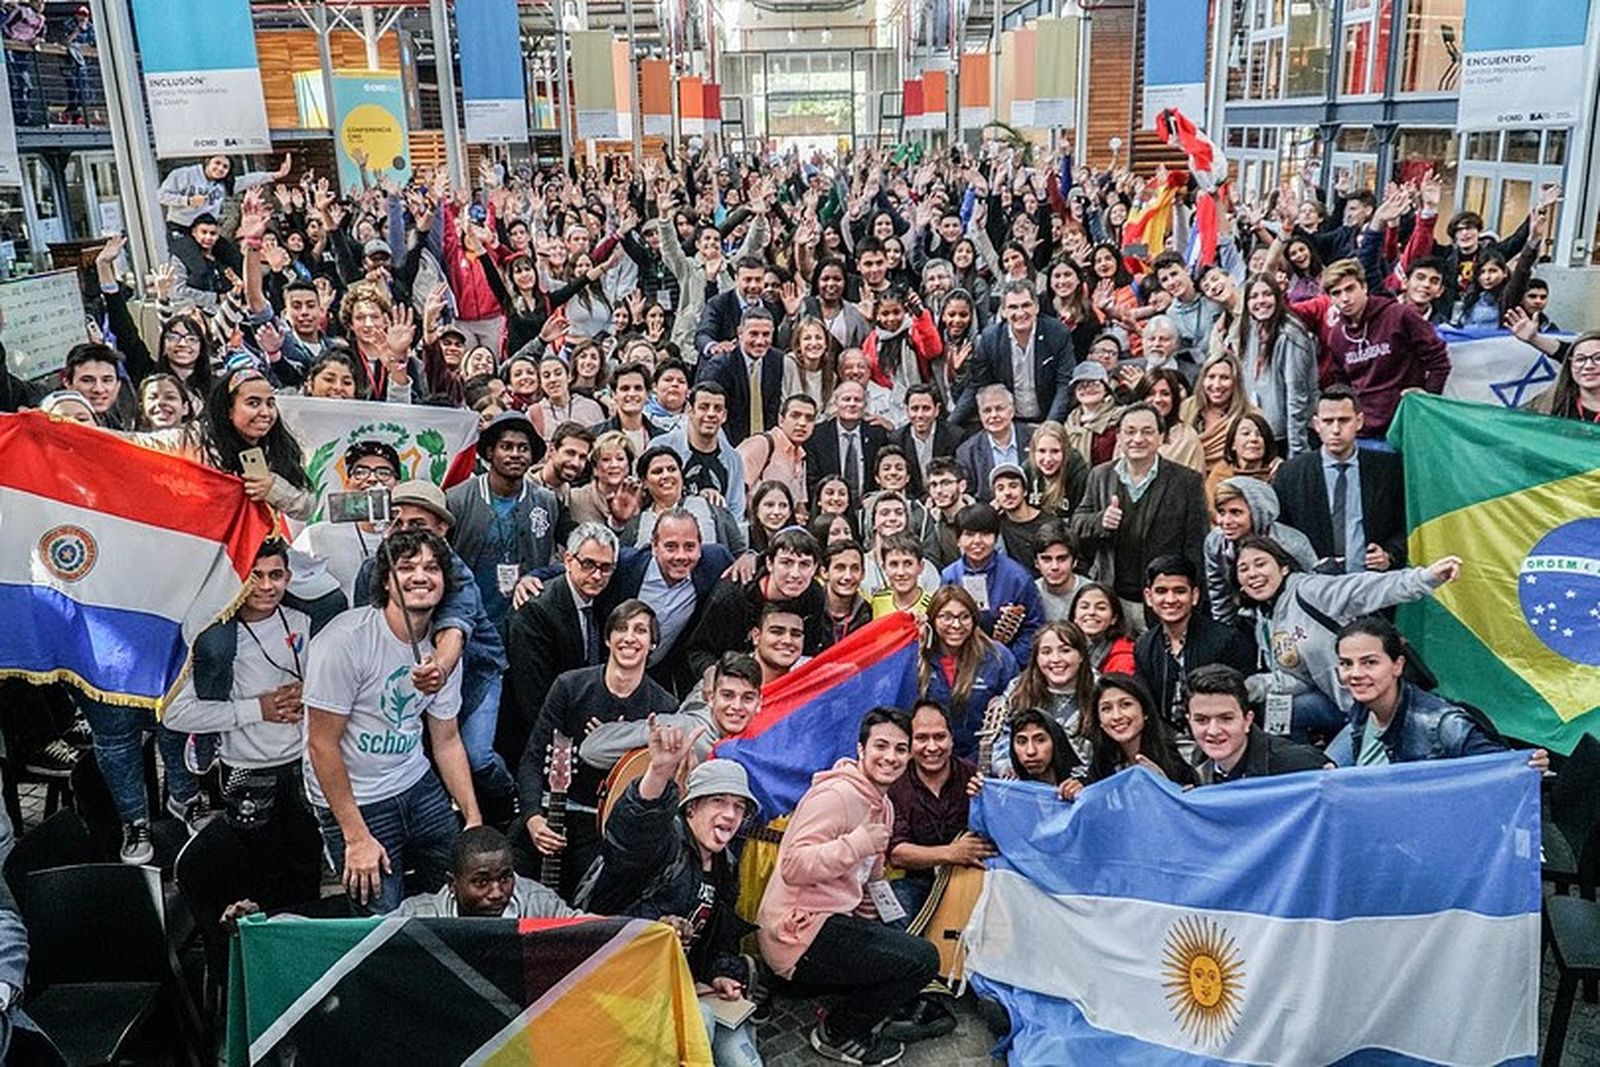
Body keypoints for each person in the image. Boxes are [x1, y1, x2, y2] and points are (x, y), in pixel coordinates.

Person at [303, 528, 481, 914]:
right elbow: (321, 744)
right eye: (407, 567)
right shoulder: (345, 641)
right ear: (386, 580)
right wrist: (355, 837)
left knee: (462, 900)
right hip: (358, 799)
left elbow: (447, 738)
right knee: (379, 924)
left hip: (415, 784)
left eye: (432, 567)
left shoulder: (443, 649)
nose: (421, 575)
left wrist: (473, 817)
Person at [757, 708, 942, 1065]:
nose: (890, 757)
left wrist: (872, 903)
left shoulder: (882, 803)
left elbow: (870, 869)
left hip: (830, 921)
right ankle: (840, 1031)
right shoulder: (836, 796)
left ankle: (785, 983)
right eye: (881, 746)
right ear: (861, 749)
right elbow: (794, 865)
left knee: (898, 947)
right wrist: (856, 843)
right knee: (924, 960)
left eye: (900, 749)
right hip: (799, 931)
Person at [579, 719, 764, 1067]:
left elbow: (719, 941)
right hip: (626, 983)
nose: (730, 814)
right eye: (718, 801)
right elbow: (630, 835)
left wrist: (721, 972)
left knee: (745, 1062)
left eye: (739, 807)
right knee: (701, 1028)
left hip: (690, 986)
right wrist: (658, 774)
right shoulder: (664, 843)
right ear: (692, 807)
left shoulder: (727, 866)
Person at [165, 539, 321, 896]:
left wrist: (309, 694)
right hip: (244, 771)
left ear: (289, 577)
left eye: (276, 575)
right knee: (263, 871)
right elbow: (176, 713)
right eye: (255, 576)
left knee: (307, 862)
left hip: (302, 766)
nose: (266, 586)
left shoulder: (302, 622)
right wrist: (256, 709)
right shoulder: (212, 640)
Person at [518, 600, 679, 897]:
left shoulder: (664, 706)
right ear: (608, 638)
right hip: (553, 809)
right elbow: (532, 757)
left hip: (607, 826)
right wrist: (531, 817)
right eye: (621, 628)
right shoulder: (569, 686)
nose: (629, 637)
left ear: (653, 643)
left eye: (640, 630)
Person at [1235, 535, 1461, 743]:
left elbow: (1366, 589)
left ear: (1284, 568)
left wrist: (1425, 577)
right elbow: (1299, 679)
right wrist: (1249, 688)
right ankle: (1298, 770)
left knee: (1336, 769)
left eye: (1260, 563)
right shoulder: (1264, 620)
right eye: (1243, 568)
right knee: (1276, 709)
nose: (1252, 573)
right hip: (1339, 704)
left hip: (1372, 706)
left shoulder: (1308, 589)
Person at [1326, 616, 1549, 770]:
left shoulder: (1442, 724)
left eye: (1370, 662)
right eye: (1346, 663)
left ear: (1397, 665)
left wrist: (1529, 764)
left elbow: (1501, 767)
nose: (1355, 674)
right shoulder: (1362, 709)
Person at [1071, 404, 1210, 627]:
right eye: (1130, 431)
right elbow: (1077, 523)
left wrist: (1195, 600)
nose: (1138, 438)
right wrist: (1100, 521)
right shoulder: (1100, 476)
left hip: (1164, 601)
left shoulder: (1187, 482)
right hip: (1114, 598)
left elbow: (1197, 546)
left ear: (1161, 437)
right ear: (1119, 436)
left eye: (1147, 431)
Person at [501, 523, 620, 770]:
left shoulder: (599, 598)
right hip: (531, 740)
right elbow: (532, 698)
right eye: (588, 564)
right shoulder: (536, 611)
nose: (597, 575)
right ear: (568, 560)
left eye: (606, 567)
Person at [1288, 259, 1450, 439]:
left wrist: (1428, 397)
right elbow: (1342, 385)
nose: (1345, 298)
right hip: (1363, 432)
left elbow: (1439, 361)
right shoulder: (1336, 336)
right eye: (1336, 293)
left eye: (1350, 289)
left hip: (1405, 425)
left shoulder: (1399, 315)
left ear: (1364, 287)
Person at [1273, 386, 1406, 574]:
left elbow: (1408, 522)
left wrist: (1390, 554)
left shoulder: (1387, 469)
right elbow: (1280, 531)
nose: (1336, 429)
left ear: (1359, 421)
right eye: (1328, 421)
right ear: (1317, 424)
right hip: (1315, 586)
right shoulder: (1291, 473)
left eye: (1344, 420)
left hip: (1373, 585)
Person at [445, 411, 560, 624]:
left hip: (525, 620)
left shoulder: (547, 502)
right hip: (469, 619)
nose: (515, 454)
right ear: (490, 452)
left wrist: (542, 575)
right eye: (506, 447)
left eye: (523, 448)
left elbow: (575, 551)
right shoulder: (457, 499)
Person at [886, 701, 989, 919]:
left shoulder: (972, 774)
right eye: (922, 738)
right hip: (918, 880)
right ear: (909, 743)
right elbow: (897, 854)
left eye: (940, 737)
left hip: (968, 875)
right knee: (894, 911)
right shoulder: (895, 784)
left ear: (952, 739)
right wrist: (951, 853)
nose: (932, 747)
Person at [1132, 556, 1257, 735]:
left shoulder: (1227, 640)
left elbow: (1243, 703)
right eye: (1161, 591)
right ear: (1149, 597)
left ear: (1195, 595)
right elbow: (1147, 706)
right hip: (1167, 743)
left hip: (1219, 738)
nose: (1170, 599)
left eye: (1179, 591)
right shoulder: (1144, 646)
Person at [951, 280, 1076, 426]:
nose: (1020, 313)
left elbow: (1064, 384)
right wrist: (951, 424)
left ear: (1036, 307)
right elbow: (977, 385)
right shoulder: (990, 339)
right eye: (1013, 307)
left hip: (1049, 417)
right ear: (1004, 311)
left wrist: (1049, 426)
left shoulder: (1057, 333)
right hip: (1010, 423)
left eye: (1026, 305)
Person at [292, 440, 401, 603]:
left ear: (397, 483)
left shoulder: (410, 534)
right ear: (347, 482)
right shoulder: (316, 535)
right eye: (360, 472)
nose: (372, 478)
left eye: (384, 472)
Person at [919, 585, 1019, 761]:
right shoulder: (918, 658)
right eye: (946, 617)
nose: (956, 625)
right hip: (929, 758)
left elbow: (1017, 712)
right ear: (932, 619)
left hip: (984, 760)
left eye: (964, 617)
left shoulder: (998, 657)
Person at [1204, 476, 1319, 625]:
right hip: (1245, 619)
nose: (1226, 521)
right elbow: (1219, 594)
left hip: (1295, 621)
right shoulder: (1216, 542)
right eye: (1221, 512)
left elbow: (1316, 589)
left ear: (1257, 512)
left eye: (1236, 513)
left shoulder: (1291, 544)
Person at [1186, 665, 1329, 785]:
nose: (1213, 730)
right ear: (1189, 721)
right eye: (1201, 720)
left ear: (1247, 720)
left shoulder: (1297, 764)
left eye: (1226, 719)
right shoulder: (1198, 763)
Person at [398, 826, 582, 918]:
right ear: (452, 884)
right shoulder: (417, 916)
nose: (497, 893)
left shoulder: (540, 904)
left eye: (505, 878)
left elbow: (591, 933)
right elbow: (370, 936)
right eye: (481, 882)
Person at [990, 620, 1097, 777]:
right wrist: (1006, 766)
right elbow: (1002, 738)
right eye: (1046, 652)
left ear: (1081, 655)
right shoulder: (1019, 688)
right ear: (1037, 658)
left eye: (1065, 651)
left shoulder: (1100, 689)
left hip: (1086, 786)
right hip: (1029, 785)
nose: (1055, 659)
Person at [940, 502, 1044, 661]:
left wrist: (1007, 661)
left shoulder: (1018, 577)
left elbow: (1033, 629)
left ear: (996, 538)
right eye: (969, 534)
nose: (977, 541)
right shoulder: (949, 576)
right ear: (958, 540)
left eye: (985, 534)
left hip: (1007, 663)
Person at [1234, 273, 1317, 457]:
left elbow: (1297, 395)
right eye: (1253, 297)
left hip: (1287, 437)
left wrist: (1296, 451)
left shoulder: (1291, 334)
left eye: (1267, 294)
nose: (1261, 301)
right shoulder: (1252, 330)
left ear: (1277, 297)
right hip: (1262, 433)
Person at [1076, 673, 1197, 789]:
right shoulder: (1101, 759)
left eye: (1126, 704)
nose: (1116, 716)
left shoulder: (1181, 749)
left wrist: (1165, 785)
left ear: (1145, 711)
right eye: (1106, 709)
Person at [662, 383, 749, 521]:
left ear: (724, 416)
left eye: (718, 409)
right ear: (690, 411)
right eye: (704, 407)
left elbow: (736, 512)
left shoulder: (733, 460)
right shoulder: (663, 447)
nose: (711, 414)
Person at [699, 306, 785, 444]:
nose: (760, 341)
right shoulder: (720, 366)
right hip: (730, 446)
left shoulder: (779, 361)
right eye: (754, 334)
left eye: (766, 334)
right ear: (740, 333)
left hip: (769, 446)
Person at [805, 380, 887, 503]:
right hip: (830, 506)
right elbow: (812, 479)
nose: (852, 404)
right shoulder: (817, 435)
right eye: (846, 399)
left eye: (857, 400)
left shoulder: (877, 435)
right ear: (835, 403)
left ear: (865, 404)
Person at [736, 393, 816, 516]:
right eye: (795, 416)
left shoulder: (801, 455)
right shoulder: (762, 444)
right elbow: (736, 490)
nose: (802, 423)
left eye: (809, 418)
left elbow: (800, 505)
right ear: (781, 420)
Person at [955, 384, 1034, 504]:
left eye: (999, 408)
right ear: (980, 415)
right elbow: (968, 495)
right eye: (987, 410)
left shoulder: (1035, 438)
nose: (993, 415)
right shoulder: (966, 452)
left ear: (1012, 410)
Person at [889, 384, 958, 495]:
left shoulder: (955, 436)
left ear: (937, 410)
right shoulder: (897, 439)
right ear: (907, 410)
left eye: (926, 408)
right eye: (914, 409)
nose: (920, 415)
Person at [989, 463, 1049, 573]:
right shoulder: (996, 525)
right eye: (1000, 488)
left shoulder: (1049, 523)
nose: (1007, 493)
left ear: (1025, 491)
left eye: (1013, 486)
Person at [1033, 522, 1088, 621]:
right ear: (1036, 563)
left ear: (1075, 562)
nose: (1055, 567)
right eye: (1047, 559)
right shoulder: (1029, 593)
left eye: (1062, 559)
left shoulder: (1091, 593)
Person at [820, 540, 872, 644]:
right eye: (840, 568)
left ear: (863, 574)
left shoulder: (869, 613)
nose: (848, 576)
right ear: (824, 572)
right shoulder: (811, 610)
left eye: (855, 568)